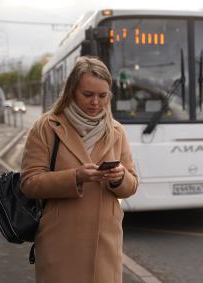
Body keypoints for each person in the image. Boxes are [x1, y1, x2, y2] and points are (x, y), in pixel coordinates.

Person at [20, 56, 138, 283]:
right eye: (88, 95)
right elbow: (29, 183)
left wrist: (119, 178)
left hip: (105, 244)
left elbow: (131, 185)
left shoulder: (116, 131)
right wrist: (76, 177)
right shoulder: (47, 126)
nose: (96, 102)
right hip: (60, 242)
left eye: (102, 96)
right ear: (72, 91)